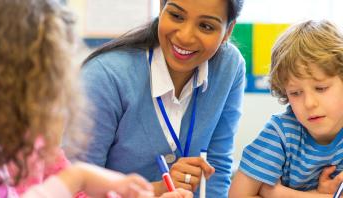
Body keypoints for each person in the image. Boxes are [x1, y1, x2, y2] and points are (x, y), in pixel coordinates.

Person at [0, 0, 192, 197]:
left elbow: (79, 193)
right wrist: (77, 177)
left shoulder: (33, 140)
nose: (59, 90)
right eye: (51, 74)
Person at [81, 0, 245, 196]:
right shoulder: (105, 76)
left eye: (206, 26)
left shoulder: (229, 66)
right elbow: (76, 187)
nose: (185, 37)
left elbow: (216, 167)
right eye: (176, 16)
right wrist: (157, 190)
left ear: (228, 31)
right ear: (161, 7)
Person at [229, 20, 343, 198]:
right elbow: (237, 195)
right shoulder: (281, 132)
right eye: (296, 93)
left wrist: (275, 192)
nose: (309, 103)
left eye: (321, 88)